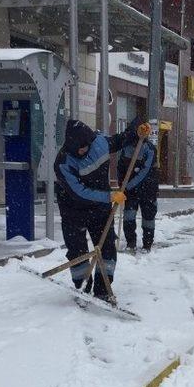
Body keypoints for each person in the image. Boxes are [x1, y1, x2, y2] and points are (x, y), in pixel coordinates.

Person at [54, 119, 129, 300]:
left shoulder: (99, 143)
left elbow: (120, 140)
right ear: (71, 145)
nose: (85, 150)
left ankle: (103, 289)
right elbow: (79, 192)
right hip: (73, 210)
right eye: (81, 148)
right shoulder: (63, 162)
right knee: (77, 250)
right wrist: (109, 196)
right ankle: (82, 286)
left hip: (100, 210)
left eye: (88, 146)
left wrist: (137, 132)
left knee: (107, 246)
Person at [117, 116, 159, 251]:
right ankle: (131, 243)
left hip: (148, 189)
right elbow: (120, 167)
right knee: (129, 216)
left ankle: (147, 244)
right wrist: (121, 186)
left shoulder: (150, 149)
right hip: (130, 191)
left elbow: (145, 171)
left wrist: (127, 185)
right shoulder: (126, 147)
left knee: (148, 217)